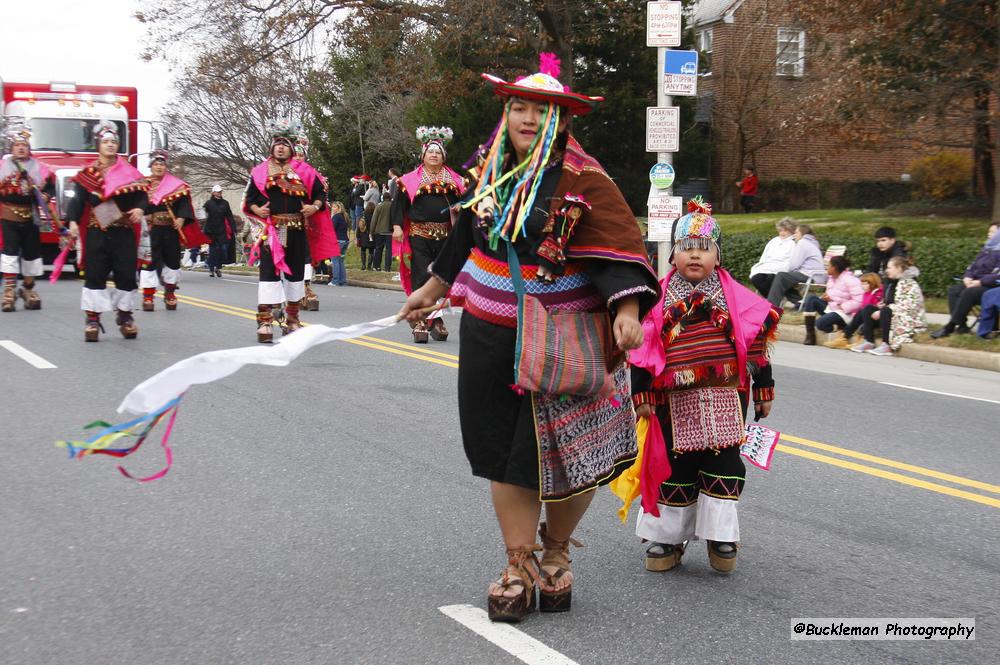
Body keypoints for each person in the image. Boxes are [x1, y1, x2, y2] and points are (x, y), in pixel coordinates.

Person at [400, 54, 659, 622]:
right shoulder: (487, 170)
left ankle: (557, 552)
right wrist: (434, 285)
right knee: (504, 453)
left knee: (576, 452)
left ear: (561, 121)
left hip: (568, 337)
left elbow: (620, 249)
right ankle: (517, 563)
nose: (527, 117)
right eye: (519, 106)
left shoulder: (586, 179)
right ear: (506, 114)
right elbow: (466, 231)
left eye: (542, 110)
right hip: (492, 333)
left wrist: (628, 307)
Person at [629, 200, 779, 575]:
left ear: (718, 256)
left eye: (704, 248)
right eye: (686, 248)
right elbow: (642, 350)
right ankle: (667, 537)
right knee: (674, 467)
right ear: (673, 256)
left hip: (727, 397)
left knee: (723, 464)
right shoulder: (656, 302)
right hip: (671, 401)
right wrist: (642, 393)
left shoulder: (737, 300)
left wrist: (764, 388)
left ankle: (721, 536)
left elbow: (756, 345)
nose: (694, 255)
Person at [243, 119, 337, 342]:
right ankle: (265, 321)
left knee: (295, 276)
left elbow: (320, 195)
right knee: (268, 275)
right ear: (272, 147)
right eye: (277, 143)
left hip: (296, 229)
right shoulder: (259, 172)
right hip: (271, 232)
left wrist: (313, 207)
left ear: (292, 148)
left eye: (285, 143)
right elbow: (250, 200)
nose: (281, 147)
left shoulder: (305, 171)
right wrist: (258, 209)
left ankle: (292, 319)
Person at [64, 120, 149, 341]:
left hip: (123, 231)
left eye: (114, 141)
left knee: (126, 274)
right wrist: (72, 222)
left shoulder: (130, 173)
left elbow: (142, 196)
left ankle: (125, 316)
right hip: (96, 231)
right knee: (95, 273)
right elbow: (77, 201)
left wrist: (140, 208)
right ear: (98, 145)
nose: (110, 145)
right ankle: (93, 319)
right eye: (106, 141)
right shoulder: (88, 174)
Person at [391, 125, 466, 342]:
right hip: (419, 234)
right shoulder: (409, 180)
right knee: (422, 275)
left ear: (443, 156)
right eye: (430, 152)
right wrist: (396, 227)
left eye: (438, 152)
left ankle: (435, 317)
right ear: (423, 155)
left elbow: (464, 202)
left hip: (445, 236)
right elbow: (399, 206)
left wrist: (461, 206)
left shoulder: (455, 181)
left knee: (441, 276)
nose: (434, 155)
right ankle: (422, 320)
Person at [138, 150, 210, 311]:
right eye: (156, 164)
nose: (159, 167)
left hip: (170, 229)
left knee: (172, 261)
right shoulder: (143, 185)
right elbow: (138, 204)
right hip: (151, 230)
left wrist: (181, 218)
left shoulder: (176, 185)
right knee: (149, 262)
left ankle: (170, 293)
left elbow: (184, 204)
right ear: (151, 166)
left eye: (162, 164)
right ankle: (148, 296)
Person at [1, 121, 55, 312]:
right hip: (8, 215)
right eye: (17, 145)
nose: (21, 148)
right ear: (12, 148)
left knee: (32, 253)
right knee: (10, 251)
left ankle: (29, 288)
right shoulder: (3, 166)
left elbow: (49, 187)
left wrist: (46, 195)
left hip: (31, 215)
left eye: (24, 145)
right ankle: (9, 291)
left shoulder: (39, 167)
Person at [931, 223, 1000, 338]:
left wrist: (980, 282)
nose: (989, 234)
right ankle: (962, 326)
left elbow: (997, 274)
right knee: (954, 290)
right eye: (989, 232)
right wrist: (968, 277)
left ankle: (950, 326)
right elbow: (972, 266)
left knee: (969, 292)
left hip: (991, 286)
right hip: (975, 283)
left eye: (992, 232)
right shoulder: (986, 249)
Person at [851, 256, 926, 355]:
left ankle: (886, 345)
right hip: (895, 315)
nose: (887, 270)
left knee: (885, 311)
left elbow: (908, 307)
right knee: (868, 309)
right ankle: (868, 341)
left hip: (908, 319)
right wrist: (881, 305)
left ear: (898, 268)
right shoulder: (895, 282)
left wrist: (883, 310)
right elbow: (893, 301)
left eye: (889, 268)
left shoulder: (909, 283)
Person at [800, 255, 864, 345]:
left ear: (835, 268)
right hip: (831, 309)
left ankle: (842, 326)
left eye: (829, 266)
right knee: (811, 298)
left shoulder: (851, 280)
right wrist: (827, 298)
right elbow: (834, 295)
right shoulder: (831, 279)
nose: (827, 268)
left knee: (820, 324)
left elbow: (860, 301)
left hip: (845, 314)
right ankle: (810, 335)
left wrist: (843, 306)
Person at [765, 223, 825, 307]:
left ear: (802, 233)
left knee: (781, 276)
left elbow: (794, 264)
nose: (794, 235)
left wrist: (786, 270)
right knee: (781, 277)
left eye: (796, 232)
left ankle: (771, 306)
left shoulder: (802, 242)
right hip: (817, 275)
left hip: (812, 275)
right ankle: (799, 303)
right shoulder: (812, 242)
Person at [825, 272, 882, 349]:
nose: (863, 286)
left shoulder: (878, 293)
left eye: (865, 284)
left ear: (872, 283)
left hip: (875, 318)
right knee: (858, 316)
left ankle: (853, 339)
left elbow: (873, 307)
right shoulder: (866, 294)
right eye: (862, 284)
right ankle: (844, 337)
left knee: (863, 316)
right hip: (866, 317)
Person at [748, 217, 797, 297]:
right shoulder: (774, 240)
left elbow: (793, 260)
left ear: (791, 231)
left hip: (783, 267)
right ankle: (772, 299)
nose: (782, 233)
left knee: (771, 278)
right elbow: (765, 255)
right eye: (780, 230)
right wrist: (763, 264)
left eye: (785, 230)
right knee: (756, 278)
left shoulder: (794, 243)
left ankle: (773, 300)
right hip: (768, 265)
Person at [203, 185, 235, 277]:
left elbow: (229, 216)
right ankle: (211, 268)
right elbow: (202, 214)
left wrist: (233, 227)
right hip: (211, 230)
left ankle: (218, 267)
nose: (219, 193)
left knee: (223, 249)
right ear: (213, 193)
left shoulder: (225, 203)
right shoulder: (209, 203)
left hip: (221, 230)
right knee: (213, 250)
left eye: (220, 191)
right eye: (217, 191)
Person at [370, 191, 394, 272]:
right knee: (389, 250)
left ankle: (377, 266)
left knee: (378, 249)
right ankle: (387, 267)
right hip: (390, 231)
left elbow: (374, 219)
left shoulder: (379, 206)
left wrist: (371, 231)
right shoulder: (393, 206)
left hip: (379, 231)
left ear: (383, 198)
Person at [328, 201, 350, 286]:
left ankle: (335, 280)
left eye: (334, 207)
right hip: (345, 240)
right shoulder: (344, 216)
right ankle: (342, 280)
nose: (332, 209)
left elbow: (331, 228)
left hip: (338, 240)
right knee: (341, 261)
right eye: (332, 207)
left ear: (338, 208)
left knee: (335, 261)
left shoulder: (336, 217)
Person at [357, 201, 375, 270]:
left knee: (363, 250)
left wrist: (358, 236)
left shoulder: (363, 214)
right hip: (372, 235)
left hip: (363, 234)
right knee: (371, 251)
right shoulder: (374, 215)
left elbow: (359, 226)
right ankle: (369, 266)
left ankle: (363, 265)